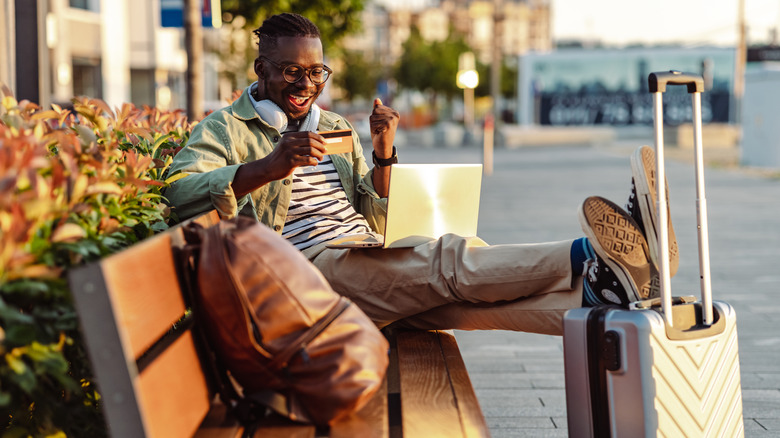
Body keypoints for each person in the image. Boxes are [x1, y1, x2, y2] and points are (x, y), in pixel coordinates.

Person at [165, 13, 678, 335]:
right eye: (288, 70)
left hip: (360, 251)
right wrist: (267, 166)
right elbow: (179, 192)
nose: (304, 83)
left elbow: (373, 208)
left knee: (472, 309)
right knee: (450, 261)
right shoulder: (227, 127)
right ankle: (594, 253)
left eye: (315, 72)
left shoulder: (337, 126)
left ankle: (620, 304)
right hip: (306, 272)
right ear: (262, 70)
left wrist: (385, 153)